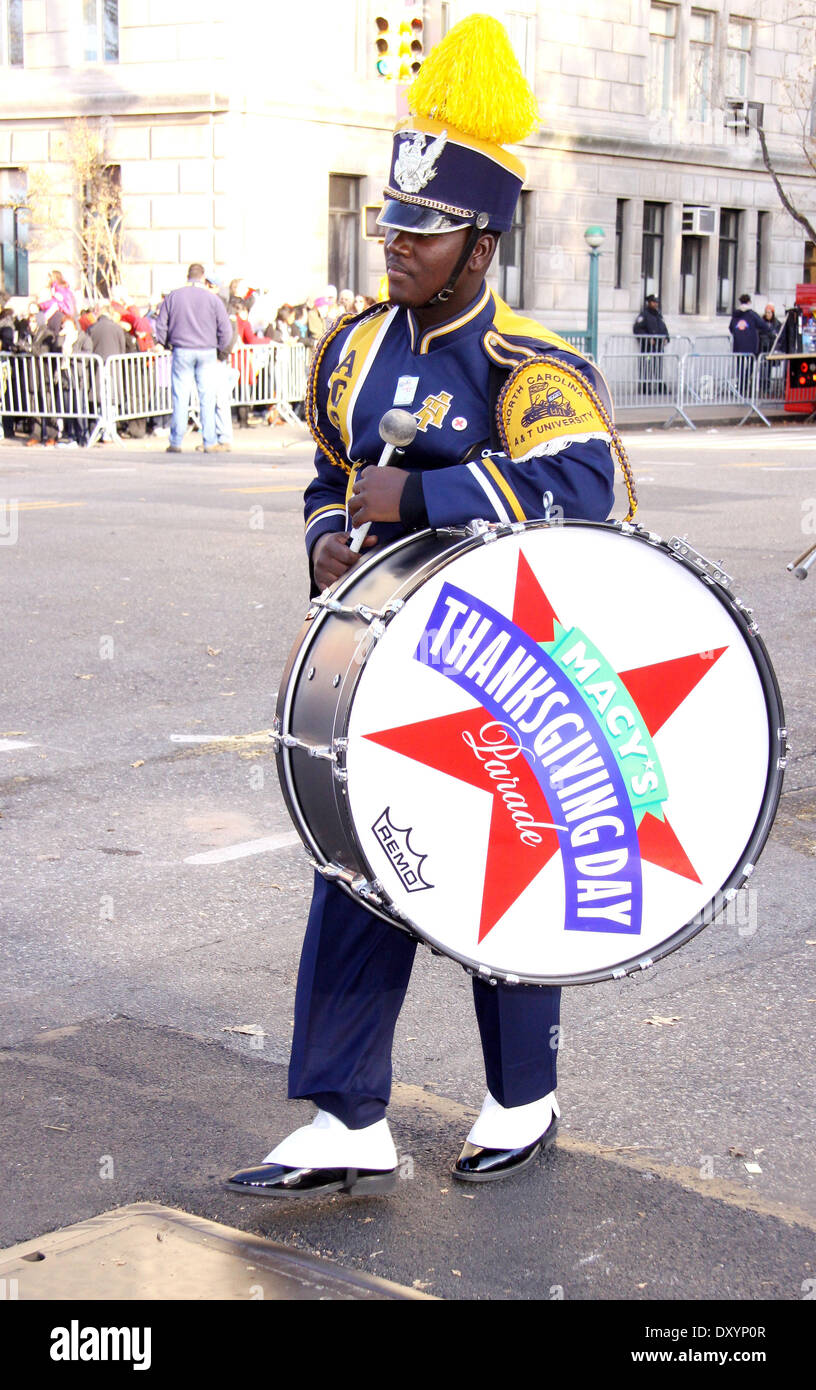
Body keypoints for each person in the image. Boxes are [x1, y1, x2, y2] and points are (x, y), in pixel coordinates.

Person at [226, 14, 620, 1202]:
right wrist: (327, 535)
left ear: (482, 244)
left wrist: (429, 490)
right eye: (389, 223)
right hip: (381, 670)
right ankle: (348, 1115)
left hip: (507, 673)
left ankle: (523, 1097)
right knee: (359, 866)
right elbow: (321, 471)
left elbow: (590, 490)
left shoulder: (527, 370)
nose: (394, 243)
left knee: (504, 868)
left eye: (422, 228)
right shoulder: (349, 352)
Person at [154, 263, 232, 454]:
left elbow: (161, 323)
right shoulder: (213, 299)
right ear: (203, 277)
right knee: (207, 398)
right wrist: (221, 351)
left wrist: (164, 343)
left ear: (187, 276)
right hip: (207, 350)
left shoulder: (174, 296)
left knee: (181, 397)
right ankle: (209, 441)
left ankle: (176, 441)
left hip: (182, 349)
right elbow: (226, 330)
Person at [729, 293, 764, 396]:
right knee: (750, 365)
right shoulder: (752, 314)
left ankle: (740, 385)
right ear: (749, 302)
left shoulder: (735, 315)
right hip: (751, 345)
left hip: (738, 345)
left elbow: (731, 327)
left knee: (739, 367)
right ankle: (744, 384)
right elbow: (763, 325)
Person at [633, 293, 669, 394]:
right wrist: (648, 338)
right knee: (647, 367)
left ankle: (659, 387)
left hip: (658, 347)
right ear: (649, 303)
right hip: (648, 348)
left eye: (656, 302)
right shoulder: (644, 315)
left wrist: (667, 337)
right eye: (653, 302)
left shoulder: (658, 315)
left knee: (658, 366)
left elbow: (664, 328)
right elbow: (637, 329)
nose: (655, 304)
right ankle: (645, 388)